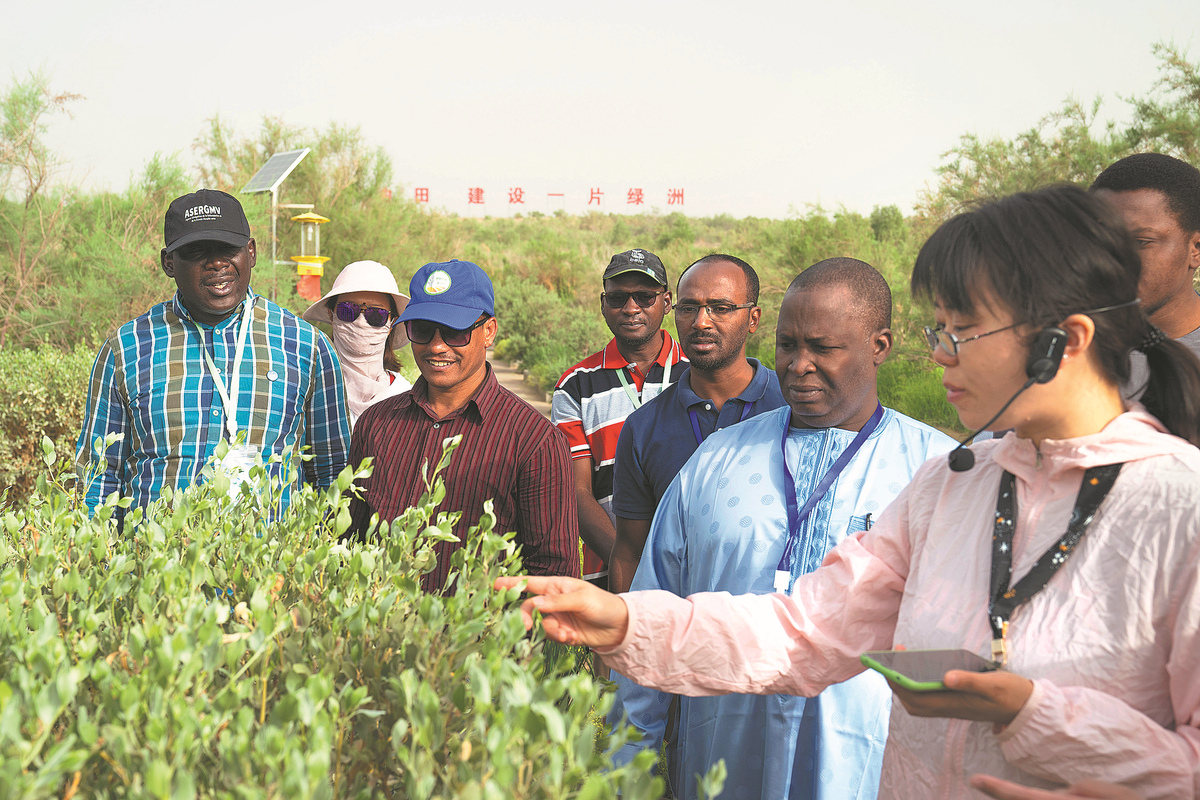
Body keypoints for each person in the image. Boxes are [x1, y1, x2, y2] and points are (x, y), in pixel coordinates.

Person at [498, 185, 1200, 798]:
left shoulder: (1178, 509)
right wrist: (627, 623)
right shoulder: (951, 487)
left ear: (1064, 341)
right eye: (938, 329)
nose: (939, 354)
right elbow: (804, 630)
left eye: (961, 331)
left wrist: (1036, 717)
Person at [608, 258, 957, 799]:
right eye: (787, 345)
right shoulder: (715, 460)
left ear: (879, 346)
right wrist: (626, 769)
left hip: (870, 773)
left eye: (823, 348)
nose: (798, 365)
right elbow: (653, 608)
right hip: (720, 763)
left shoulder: (936, 472)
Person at [76, 189, 351, 522]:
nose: (217, 263)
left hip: (274, 556)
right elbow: (98, 477)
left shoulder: (307, 345)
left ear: (251, 252)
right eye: (197, 251)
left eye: (228, 249)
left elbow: (332, 473)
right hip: (155, 554)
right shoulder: (127, 348)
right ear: (168, 262)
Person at [347, 259, 580, 592]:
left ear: (489, 332)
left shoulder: (534, 441)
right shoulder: (376, 424)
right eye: (422, 330)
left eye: (455, 332)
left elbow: (552, 576)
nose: (436, 346)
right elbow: (348, 539)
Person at [609, 254, 786, 593]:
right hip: (676, 622)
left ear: (753, 318)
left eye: (720, 308)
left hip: (773, 621)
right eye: (688, 308)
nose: (701, 322)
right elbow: (630, 552)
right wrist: (624, 622)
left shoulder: (792, 410)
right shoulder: (644, 428)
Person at [552, 249, 686, 588]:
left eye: (644, 297)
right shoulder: (576, 385)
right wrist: (631, 565)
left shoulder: (696, 374)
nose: (630, 308)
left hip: (692, 571)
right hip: (610, 575)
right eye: (617, 298)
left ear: (666, 302)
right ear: (603, 304)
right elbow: (576, 491)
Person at [1090, 153, 1200, 393]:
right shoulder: (1062, 349)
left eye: (1141, 242)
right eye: (1102, 240)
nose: (1114, 258)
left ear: (1196, 249)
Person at [302, 260, 412, 428]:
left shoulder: (406, 397)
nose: (361, 321)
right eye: (348, 311)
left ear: (391, 323)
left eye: (376, 314)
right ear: (332, 316)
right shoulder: (307, 386)